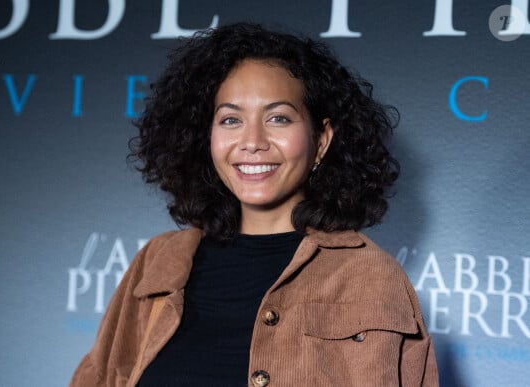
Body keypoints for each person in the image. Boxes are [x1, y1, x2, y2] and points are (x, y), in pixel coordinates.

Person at [70, 22, 438, 386]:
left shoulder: (371, 278)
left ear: (322, 140)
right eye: (231, 119)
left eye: (278, 118)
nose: (252, 141)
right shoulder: (157, 262)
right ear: (206, 136)